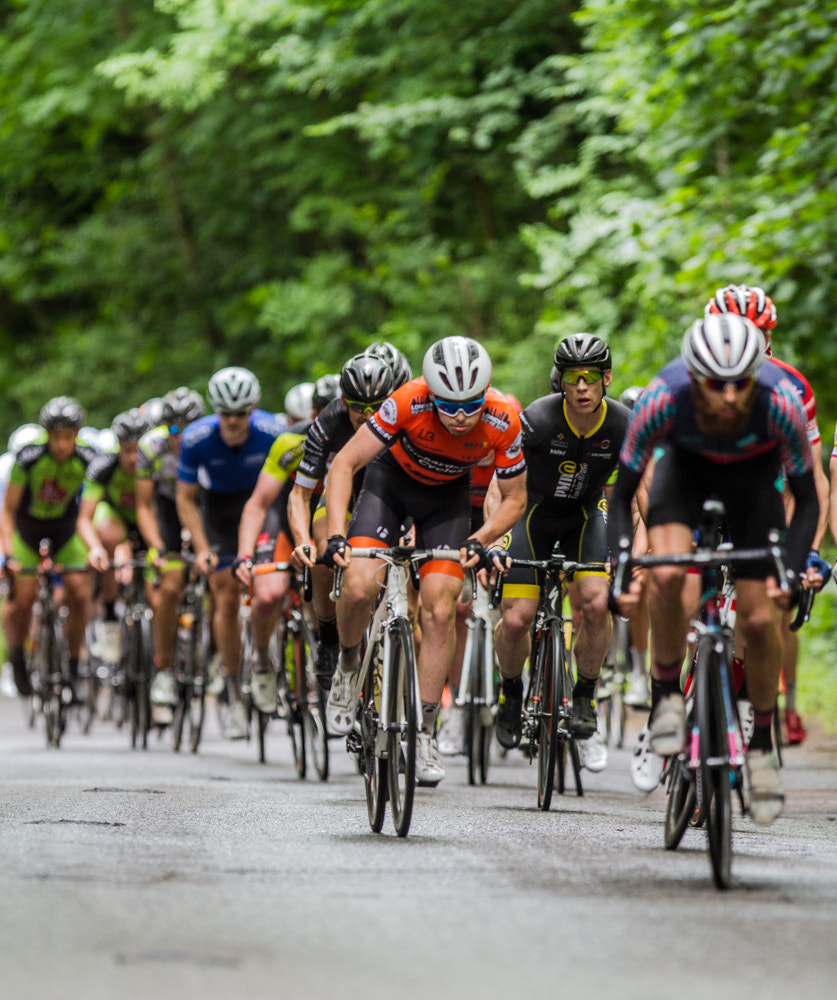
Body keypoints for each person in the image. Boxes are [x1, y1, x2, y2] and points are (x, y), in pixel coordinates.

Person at [608, 313, 818, 825]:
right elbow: (621, 496)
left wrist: (790, 571)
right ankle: (664, 698)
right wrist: (620, 565)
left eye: (741, 383)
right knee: (666, 576)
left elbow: (808, 501)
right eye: (715, 385)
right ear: (693, 376)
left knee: (762, 618)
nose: (729, 396)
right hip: (685, 478)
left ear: (757, 376)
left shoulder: (781, 405)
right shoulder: (662, 398)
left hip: (753, 486)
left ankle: (763, 744)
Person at [322, 336, 527, 785]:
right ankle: (348, 663)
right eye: (447, 405)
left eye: (470, 404)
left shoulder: (503, 418)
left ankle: (424, 731)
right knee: (357, 585)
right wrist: (337, 533)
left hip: (446, 500)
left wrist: (482, 537)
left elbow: (514, 499)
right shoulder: (406, 401)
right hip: (388, 487)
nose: (458, 416)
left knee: (439, 607)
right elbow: (344, 465)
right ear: (430, 392)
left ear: (486, 392)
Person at [491, 334, 630, 775]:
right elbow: (501, 485)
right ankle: (511, 692)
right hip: (531, 514)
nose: (583, 386)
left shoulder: (624, 424)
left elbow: (639, 494)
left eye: (591, 377)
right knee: (516, 619)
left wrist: (632, 551)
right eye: (574, 378)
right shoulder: (535, 420)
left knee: (594, 602)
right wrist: (494, 540)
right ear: (561, 382)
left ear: (606, 379)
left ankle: (585, 696)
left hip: (586, 515)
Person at [706, 284, 830, 744]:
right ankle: (668, 700)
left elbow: (812, 482)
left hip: (762, 503)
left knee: (758, 620)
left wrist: (807, 551)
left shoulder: (792, 388)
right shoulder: (687, 379)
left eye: (757, 335)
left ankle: (752, 719)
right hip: (701, 499)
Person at [176, 367, 283, 739]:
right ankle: (234, 693)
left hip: (263, 504)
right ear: (216, 411)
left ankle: (266, 661)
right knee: (223, 593)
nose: (234, 421)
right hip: (218, 510)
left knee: (270, 587)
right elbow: (186, 500)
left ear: (253, 409)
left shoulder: (273, 431)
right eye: (226, 414)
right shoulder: (196, 437)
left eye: (241, 413)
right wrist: (203, 548)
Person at [233, 370, 348, 713]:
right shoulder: (291, 442)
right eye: (324, 414)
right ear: (313, 416)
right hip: (285, 521)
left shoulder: (364, 438)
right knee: (267, 594)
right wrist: (243, 555)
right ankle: (262, 663)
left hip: (335, 522)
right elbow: (257, 504)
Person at [288, 354, 396, 692]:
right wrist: (302, 538)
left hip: (386, 495)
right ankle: (328, 635)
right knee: (323, 553)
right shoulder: (328, 423)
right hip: (342, 498)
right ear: (344, 402)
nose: (367, 415)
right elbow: (299, 495)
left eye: (377, 406)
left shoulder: (401, 418)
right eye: (359, 407)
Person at [0, 397, 97, 698]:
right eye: (55, 437)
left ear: (77, 434)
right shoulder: (28, 458)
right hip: (28, 530)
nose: (61, 444)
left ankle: (74, 663)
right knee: (24, 600)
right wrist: (10, 554)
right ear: (46, 434)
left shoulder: (87, 458)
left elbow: (94, 505)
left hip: (65, 530)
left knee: (80, 593)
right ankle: (17, 658)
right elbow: (8, 510)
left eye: (67, 437)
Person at [135, 387, 206, 724]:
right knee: (170, 586)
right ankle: (164, 668)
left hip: (204, 507)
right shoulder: (151, 447)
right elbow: (144, 506)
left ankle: (217, 660)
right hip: (166, 510)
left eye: (187, 429)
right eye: (174, 429)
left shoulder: (210, 443)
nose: (180, 437)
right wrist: (157, 548)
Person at [77, 408, 149, 665]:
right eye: (127, 450)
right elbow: (85, 517)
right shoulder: (103, 466)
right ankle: (109, 618)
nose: (133, 458)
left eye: (139, 450)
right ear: (118, 447)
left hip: (147, 520)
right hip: (116, 517)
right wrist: (95, 547)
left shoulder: (158, 463)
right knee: (107, 535)